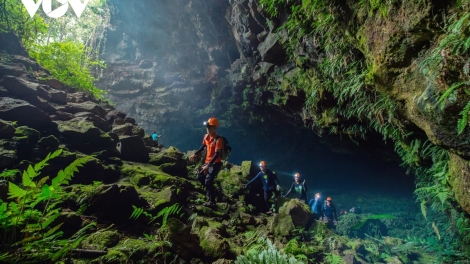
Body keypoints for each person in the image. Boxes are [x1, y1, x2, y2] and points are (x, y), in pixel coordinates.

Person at [189, 117, 223, 207]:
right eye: (207, 127)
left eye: (209, 127)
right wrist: (195, 154)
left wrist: (208, 166)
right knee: (200, 176)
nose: (207, 129)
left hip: (215, 163)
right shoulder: (206, 137)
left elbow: (216, 154)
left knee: (208, 181)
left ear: (214, 128)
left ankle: (212, 202)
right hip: (208, 162)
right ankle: (212, 190)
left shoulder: (218, 139)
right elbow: (203, 146)